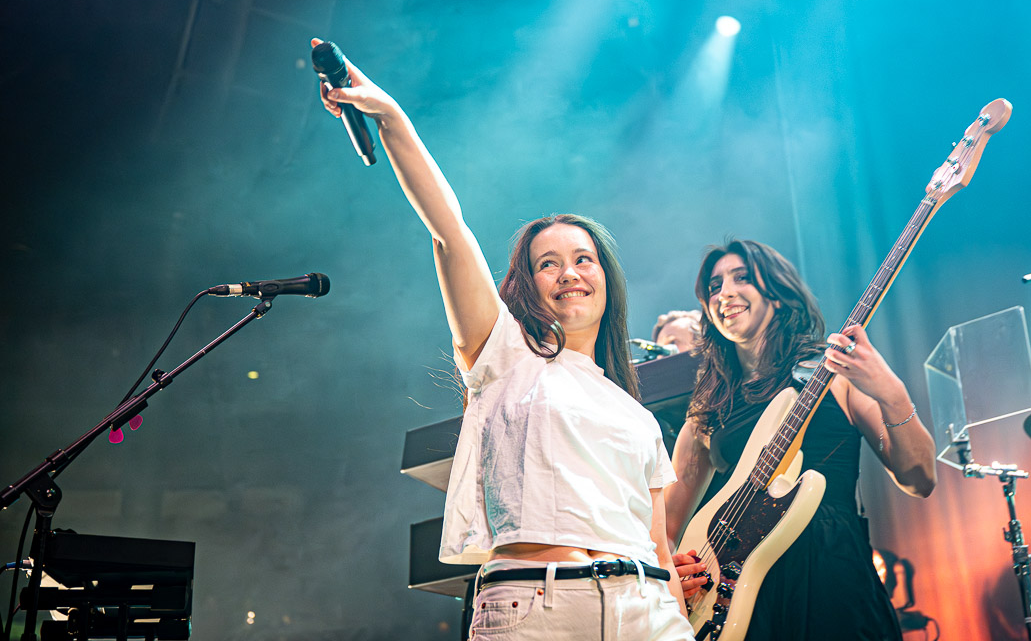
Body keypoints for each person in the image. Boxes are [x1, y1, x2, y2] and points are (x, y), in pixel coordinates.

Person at [313, 39, 693, 640]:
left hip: (649, 611)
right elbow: (449, 232)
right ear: (527, 284)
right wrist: (393, 119)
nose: (569, 272)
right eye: (548, 263)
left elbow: (661, 548)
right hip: (538, 608)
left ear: (606, 279)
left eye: (583, 259)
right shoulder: (504, 355)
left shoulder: (634, 412)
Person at [665, 239, 936, 640]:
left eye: (742, 278)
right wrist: (674, 569)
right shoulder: (707, 407)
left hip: (833, 575)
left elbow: (920, 478)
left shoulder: (833, 374)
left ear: (777, 293)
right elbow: (665, 524)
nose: (725, 292)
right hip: (740, 596)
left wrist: (891, 393)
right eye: (715, 286)